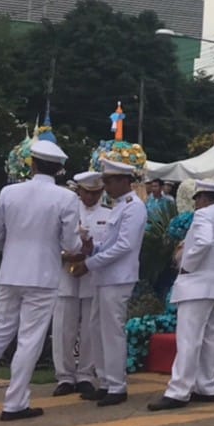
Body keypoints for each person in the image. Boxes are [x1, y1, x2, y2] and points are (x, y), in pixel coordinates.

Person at [0, 140, 79, 423]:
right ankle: (15, 402)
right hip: (43, 277)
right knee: (29, 339)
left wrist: (14, 250)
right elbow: (72, 244)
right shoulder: (66, 198)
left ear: (32, 164)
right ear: (59, 169)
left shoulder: (9, 192)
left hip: (10, 273)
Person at [148, 179, 214, 410]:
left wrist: (187, 265)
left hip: (197, 285)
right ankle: (207, 386)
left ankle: (178, 390)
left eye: (197, 199)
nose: (196, 204)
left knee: (189, 339)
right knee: (208, 339)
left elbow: (204, 242)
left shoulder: (204, 215)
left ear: (203, 198)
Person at [72, 155, 147, 407]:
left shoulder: (134, 206)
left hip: (118, 277)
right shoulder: (118, 206)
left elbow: (125, 245)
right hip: (105, 277)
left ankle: (117, 385)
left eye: (109, 181)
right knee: (97, 329)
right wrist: (92, 248)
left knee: (112, 331)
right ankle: (105, 381)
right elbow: (110, 243)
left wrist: (90, 263)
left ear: (124, 181)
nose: (106, 187)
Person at [53, 171, 106, 398]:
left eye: (95, 193)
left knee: (90, 330)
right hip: (66, 274)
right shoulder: (67, 210)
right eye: (86, 192)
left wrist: (89, 254)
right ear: (79, 191)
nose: (90, 197)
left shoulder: (108, 215)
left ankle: (85, 374)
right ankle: (64, 376)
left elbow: (109, 245)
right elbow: (53, 240)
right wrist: (65, 255)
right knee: (63, 328)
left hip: (92, 274)